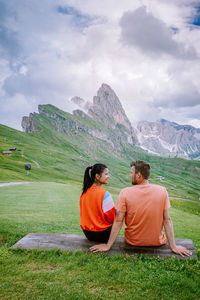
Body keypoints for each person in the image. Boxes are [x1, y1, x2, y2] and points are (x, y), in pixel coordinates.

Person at [90, 160, 192, 257]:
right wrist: (173, 246)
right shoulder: (162, 191)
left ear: (138, 175)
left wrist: (108, 245)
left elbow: (118, 221)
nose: (130, 175)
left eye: (131, 173)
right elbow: (167, 220)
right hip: (157, 242)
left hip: (133, 241)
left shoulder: (125, 192)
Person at [80, 163, 116, 243]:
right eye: (106, 174)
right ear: (97, 176)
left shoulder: (84, 192)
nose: (108, 176)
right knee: (118, 216)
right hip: (102, 234)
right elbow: (112, 218)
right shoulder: (105, 194)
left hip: (87, 233)